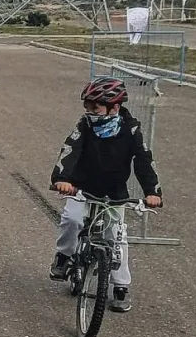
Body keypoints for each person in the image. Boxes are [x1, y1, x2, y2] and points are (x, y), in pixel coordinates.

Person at [49, 76, 163, 313]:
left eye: (96, 107)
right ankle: (64, 256)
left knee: (117, 236)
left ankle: (121, 286)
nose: (90, 111)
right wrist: (62, 179)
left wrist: (152, 191)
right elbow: (70, 150)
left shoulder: (131, 129)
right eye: (87, 106)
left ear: (115, 108)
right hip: (82, 187)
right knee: (72, 219)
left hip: (114, 193)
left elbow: (143, 160)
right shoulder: (84, 126)